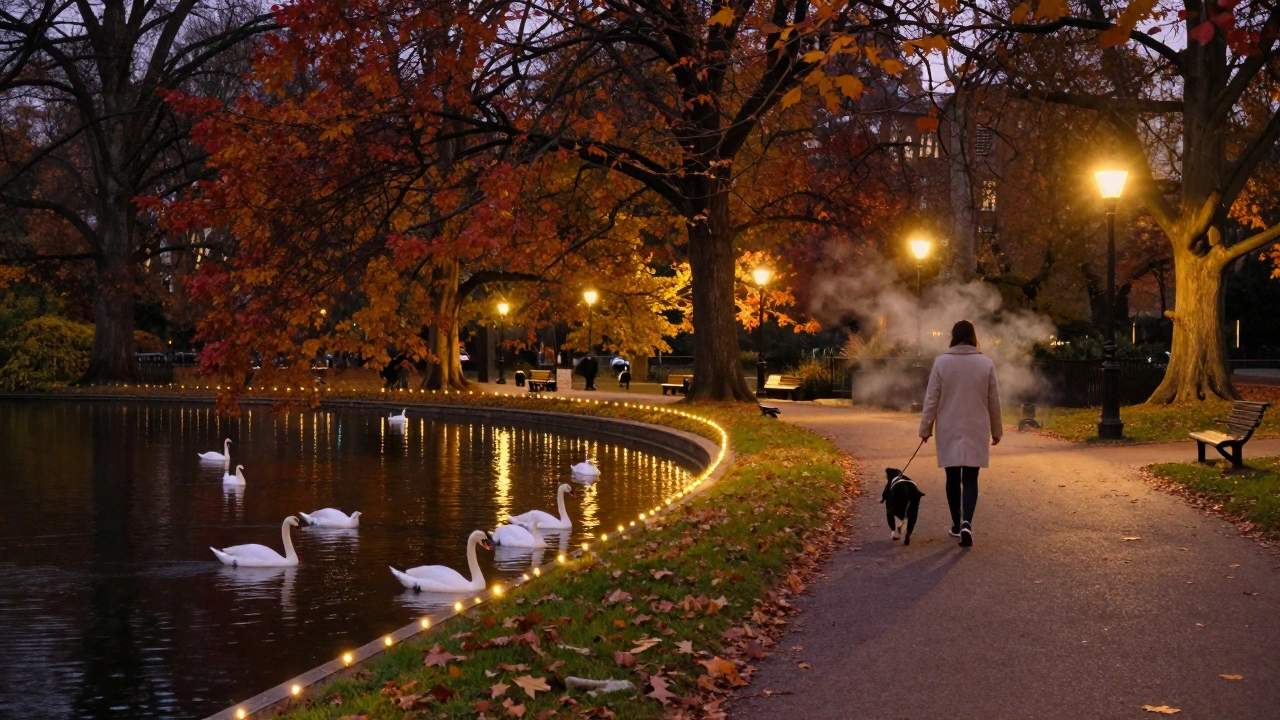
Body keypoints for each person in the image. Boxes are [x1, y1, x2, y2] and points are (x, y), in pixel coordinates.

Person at [918, 319, 1002, 548]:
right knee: (971, 478)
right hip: (976, 427)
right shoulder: (986, 363)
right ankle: (967, 522)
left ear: (953, 336)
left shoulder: (941, 363)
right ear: (973, 336)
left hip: (949, 426)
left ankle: (956, 524)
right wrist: (997, 430)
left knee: (952, 478)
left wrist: (925, 428)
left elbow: (931, 399)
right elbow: (993, 400)